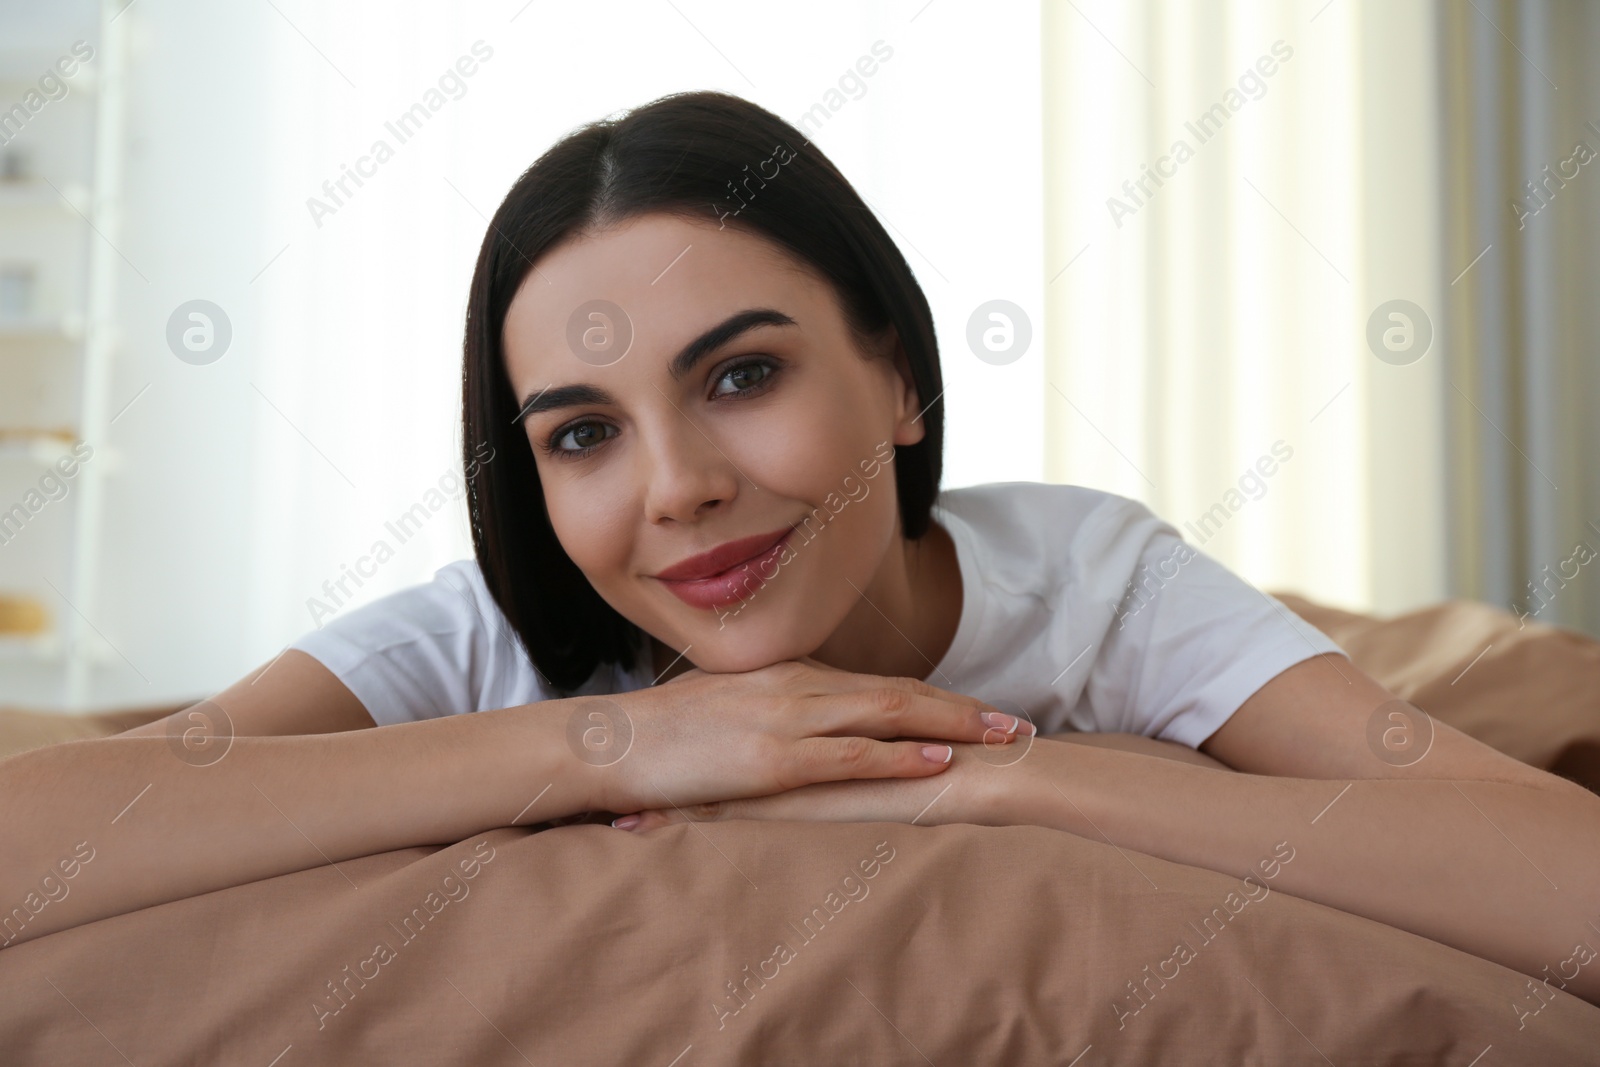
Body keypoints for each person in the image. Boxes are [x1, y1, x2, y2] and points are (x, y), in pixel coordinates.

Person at [3, 92, 1597, 1009]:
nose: (679, 487)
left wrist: (995, 776)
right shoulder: (483, 639)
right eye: (581, 433)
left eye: (741, 377)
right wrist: (621, 739)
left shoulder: (1091, 587)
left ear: (899, 377)